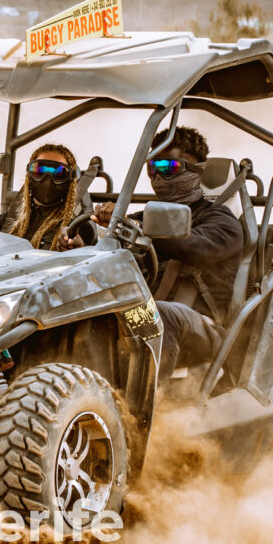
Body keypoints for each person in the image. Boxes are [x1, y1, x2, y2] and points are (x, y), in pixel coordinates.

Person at [93, 126, 243, 382]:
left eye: (169, 167)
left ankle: (139, 415)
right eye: (153, 168)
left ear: (199, 170)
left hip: (207, 329)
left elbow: (190, 246)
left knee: (157, 315)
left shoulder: (221, 222)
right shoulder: (143, 220)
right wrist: (88, 234)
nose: (159, 176)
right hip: (142, 315)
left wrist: (140, 231)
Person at [0, 143, 97, 251]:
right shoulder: (9, 219)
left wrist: (76, 249)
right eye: (39, 171)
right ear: (29, 176)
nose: (47, 179)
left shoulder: (77, 226)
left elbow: (85, 254)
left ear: (69, 181)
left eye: (58, 173)